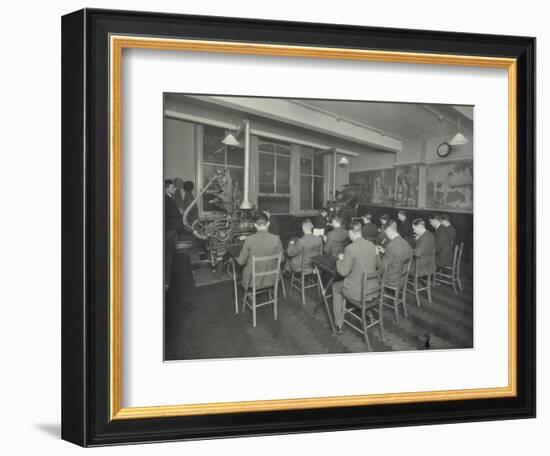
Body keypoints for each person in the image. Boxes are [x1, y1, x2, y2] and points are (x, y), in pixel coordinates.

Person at [332, 221, 379, 334]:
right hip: (372, 289)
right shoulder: (371, 245)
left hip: (357, 291)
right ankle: (369, 315)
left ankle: (339, 324)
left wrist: (339, 259)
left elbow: (343, 272)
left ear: (351, 233)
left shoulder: (350, 248)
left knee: (335, 287)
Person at [236, 212, 283, 290]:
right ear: (268, 224)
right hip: (271, 279)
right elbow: (282, 259)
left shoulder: (248, 240)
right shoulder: (276, 239)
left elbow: (241, 262)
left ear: (255, 225)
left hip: (252, 281)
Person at [376, 220, 413, 288]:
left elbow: (382, 267)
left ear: (388, 230)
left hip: (392, 280)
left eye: (386, 232)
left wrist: (377, 254)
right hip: (403, 278)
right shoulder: (406, 242)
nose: (386, 235)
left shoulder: (391, 245)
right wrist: (385, 251)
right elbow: (396, 254)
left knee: (373, 272)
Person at [164, 179, 184, 290]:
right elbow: (170, 215)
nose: (174, 189)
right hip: (169, 231)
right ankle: (166, 282)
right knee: (168, 256)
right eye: (172, 187)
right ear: (166, 188)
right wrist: (179, 212)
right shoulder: (166, 199)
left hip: (172, 231)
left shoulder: (169, 198)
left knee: (170, 254)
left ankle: (167, 279)